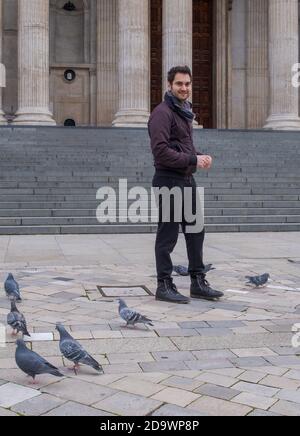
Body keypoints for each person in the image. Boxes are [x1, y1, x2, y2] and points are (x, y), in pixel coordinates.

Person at [148, 65, 224, 304]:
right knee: (168, 235)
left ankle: (198, 282)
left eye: (187, 84)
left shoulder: (183, 112)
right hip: (168, 180)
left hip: (185, 179)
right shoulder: (162, 113)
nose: (184, 88)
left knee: (195, 232)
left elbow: (181, 147)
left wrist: (199, 155)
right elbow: (161, 152)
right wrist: (193, 159)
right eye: (179, 84)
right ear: (170, 85)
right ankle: (164, 284)